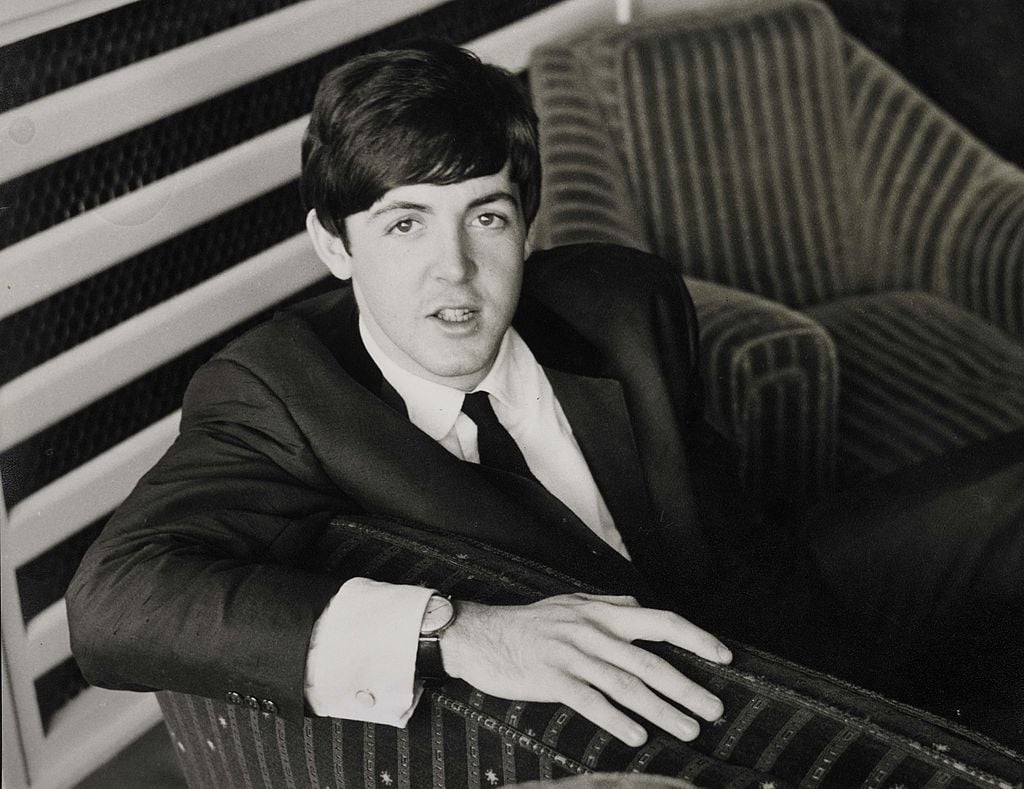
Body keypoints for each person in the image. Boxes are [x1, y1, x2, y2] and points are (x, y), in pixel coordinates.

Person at [67, 42, 1023, 771]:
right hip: (701, 722)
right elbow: (114, 604)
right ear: (333, 244)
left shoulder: (626, 301)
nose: (457, 272)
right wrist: (461, 630)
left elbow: (733, 524)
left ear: (527, 224)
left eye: (486, 215)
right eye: (405, 223)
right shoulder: (278, 391)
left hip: (786, 610)